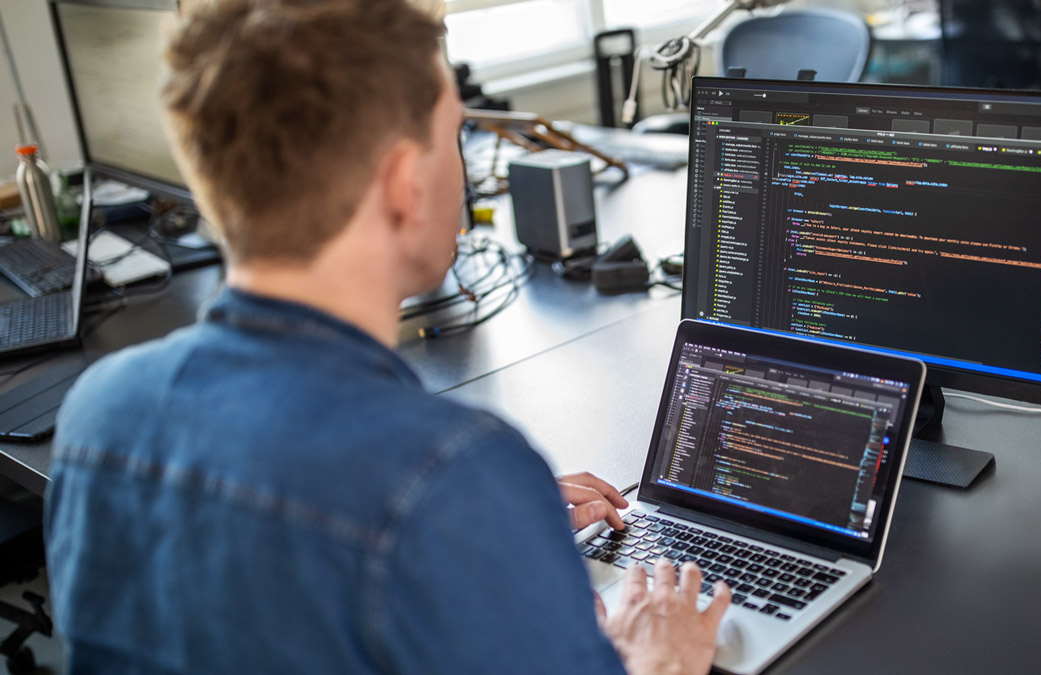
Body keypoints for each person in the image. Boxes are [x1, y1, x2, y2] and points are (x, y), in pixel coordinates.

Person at [43, 0, 731, 673]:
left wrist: (487, 521)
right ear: (407, 182)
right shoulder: (451, 472)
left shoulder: (98, 410)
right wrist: (661, 660)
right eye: (454, 133)